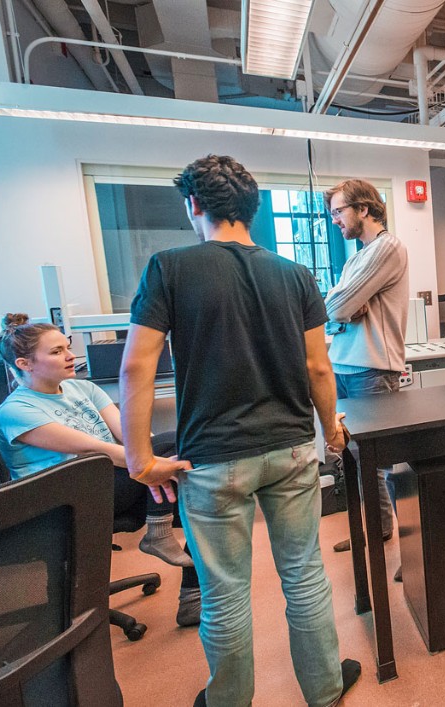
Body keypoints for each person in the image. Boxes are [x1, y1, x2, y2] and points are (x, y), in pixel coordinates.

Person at [119, 155, 359, 707]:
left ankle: (228, 700)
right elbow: (318, 368)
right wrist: (332, 432)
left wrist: (138, 460)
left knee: (225, 594)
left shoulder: (169, 268)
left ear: (193, 205)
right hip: (293, 449)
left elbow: (137, 366)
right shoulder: (295, 275)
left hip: (214, 459)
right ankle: (323, 689)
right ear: (251, 210)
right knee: (304, 576)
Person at [0, 313, 201, 626]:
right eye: (56, 351)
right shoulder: (16, 412)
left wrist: (162, 459)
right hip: (62, 502)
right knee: (173, 456)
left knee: (196, 486)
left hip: (108, 485)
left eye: (67, 346)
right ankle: (162, 535)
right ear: (25, 364)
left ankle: (190, 592)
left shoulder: (83, 390)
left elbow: (137, 441)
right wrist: (158, 462)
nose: (70, 355)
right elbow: (99, 450)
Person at [323, 178, 409, 545]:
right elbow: (334, 309)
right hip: (344, 365)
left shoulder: (386, 248)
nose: (334, 221)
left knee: (372, 461)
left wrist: (341, 306)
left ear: (363, 208)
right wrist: (340, 307)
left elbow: (337, 306)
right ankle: (374, 527)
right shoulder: (358, 256)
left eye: (338, 212)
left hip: (372, 367)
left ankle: (378, 531)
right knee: (352, 457)